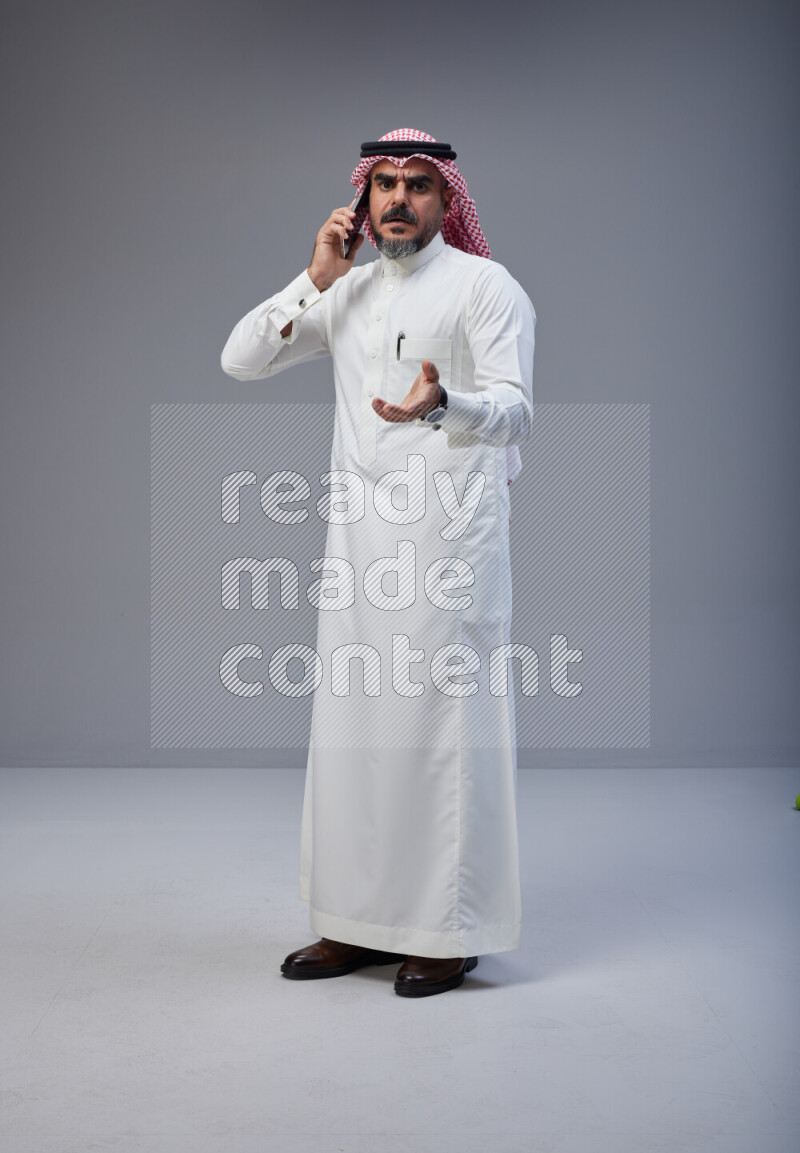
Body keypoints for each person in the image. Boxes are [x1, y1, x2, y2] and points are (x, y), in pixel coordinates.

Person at [221, 129, 535, 997]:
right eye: (385, 183)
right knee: (356, 735)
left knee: (443, 735)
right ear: (364, 198)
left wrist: (446, 403)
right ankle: (354, 924)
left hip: (450, 547)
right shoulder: (348, 292)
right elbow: (240, 358)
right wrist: (313, 279)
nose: (398, 199)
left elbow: (515, 413)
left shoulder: (485, 287)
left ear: (447, 200)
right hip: (359, 552)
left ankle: (449, 930)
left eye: (420, 184)